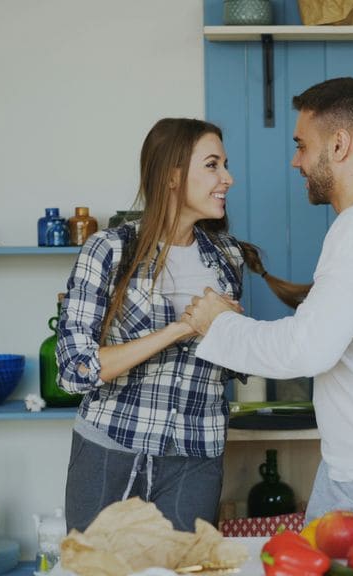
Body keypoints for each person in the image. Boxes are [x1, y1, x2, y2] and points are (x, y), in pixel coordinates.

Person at [184, 77, 353, 533]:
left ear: (338, 144)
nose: (296, 161)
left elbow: (307, 349)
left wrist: (219, 325)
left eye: (301, 145)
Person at [57, 118, 269, 532]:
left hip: (195, 455)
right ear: (173, 176)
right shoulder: (109, 250)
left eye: (224, 165)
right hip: (112, 447)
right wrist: (180, 329)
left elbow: (226, 366)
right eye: (212, 165)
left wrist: (233, 332)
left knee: (185, 568)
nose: (228, 178)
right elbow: (74, 369)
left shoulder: (227, 257)